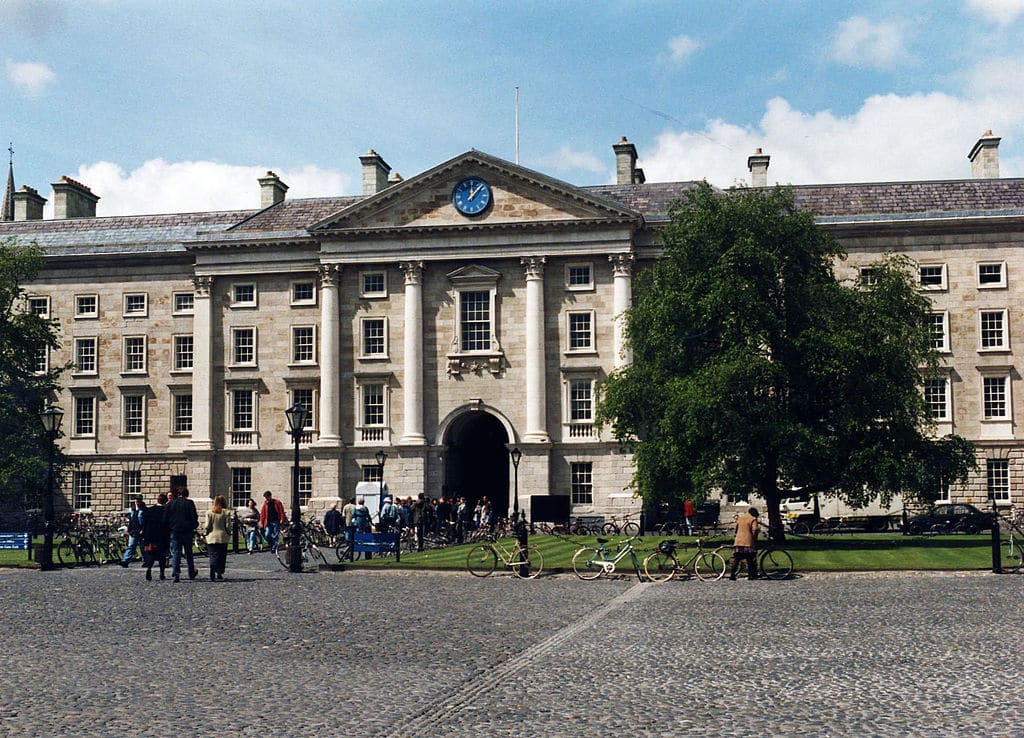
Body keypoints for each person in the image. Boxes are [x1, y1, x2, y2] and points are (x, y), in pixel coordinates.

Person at [166, 486, 200, 582]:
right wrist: (194, 526)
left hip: (175, 531)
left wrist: (170, 527)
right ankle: (191, 572)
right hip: (187, 531)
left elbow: (165, 518)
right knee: (189, 552)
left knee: (176, 553)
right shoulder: (189, 503)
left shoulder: (171, 504)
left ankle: (176, 574)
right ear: (186, 494)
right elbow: (194, 517)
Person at [141, 493, 169, 581]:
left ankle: (149, 568)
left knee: (151, 554)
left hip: (150, 537)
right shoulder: (166, 511)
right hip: (162, 536)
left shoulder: (150, 510)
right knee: (162, 556)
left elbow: (145, 524)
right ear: (165, 501)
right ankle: (162, 573)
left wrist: (144, 534)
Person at [205, 495, 231, 581]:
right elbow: (228, 526)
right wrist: (229, 533)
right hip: (222, 537)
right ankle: (219, 572)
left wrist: (206, 533)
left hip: (211, 537)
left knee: (213, 555)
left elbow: (207, 526)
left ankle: (212, 570)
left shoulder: (209, 512)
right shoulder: (226, 512)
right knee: (222, 556)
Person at [730, 507, 760, 581]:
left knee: (737, 560)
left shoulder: (740, 518)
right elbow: (754, 530)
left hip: (738, 542)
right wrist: (755, 539)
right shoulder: (753, 519)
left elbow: (736, 529)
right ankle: (751, 575)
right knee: (750, 560)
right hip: (748, 542)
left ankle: (732, 575)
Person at [120, 495, 146, 567]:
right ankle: (125, 561)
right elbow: (131, 521)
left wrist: (143, 530)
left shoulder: (144, 509)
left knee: (143, 547)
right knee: (131, 546)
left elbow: (146, 521)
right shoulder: (132, 509)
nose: (137, 501)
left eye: (139, 500)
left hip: (141, 531)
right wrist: (129, 529)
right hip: (133, 531)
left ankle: (146, 561)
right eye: (136, 499)